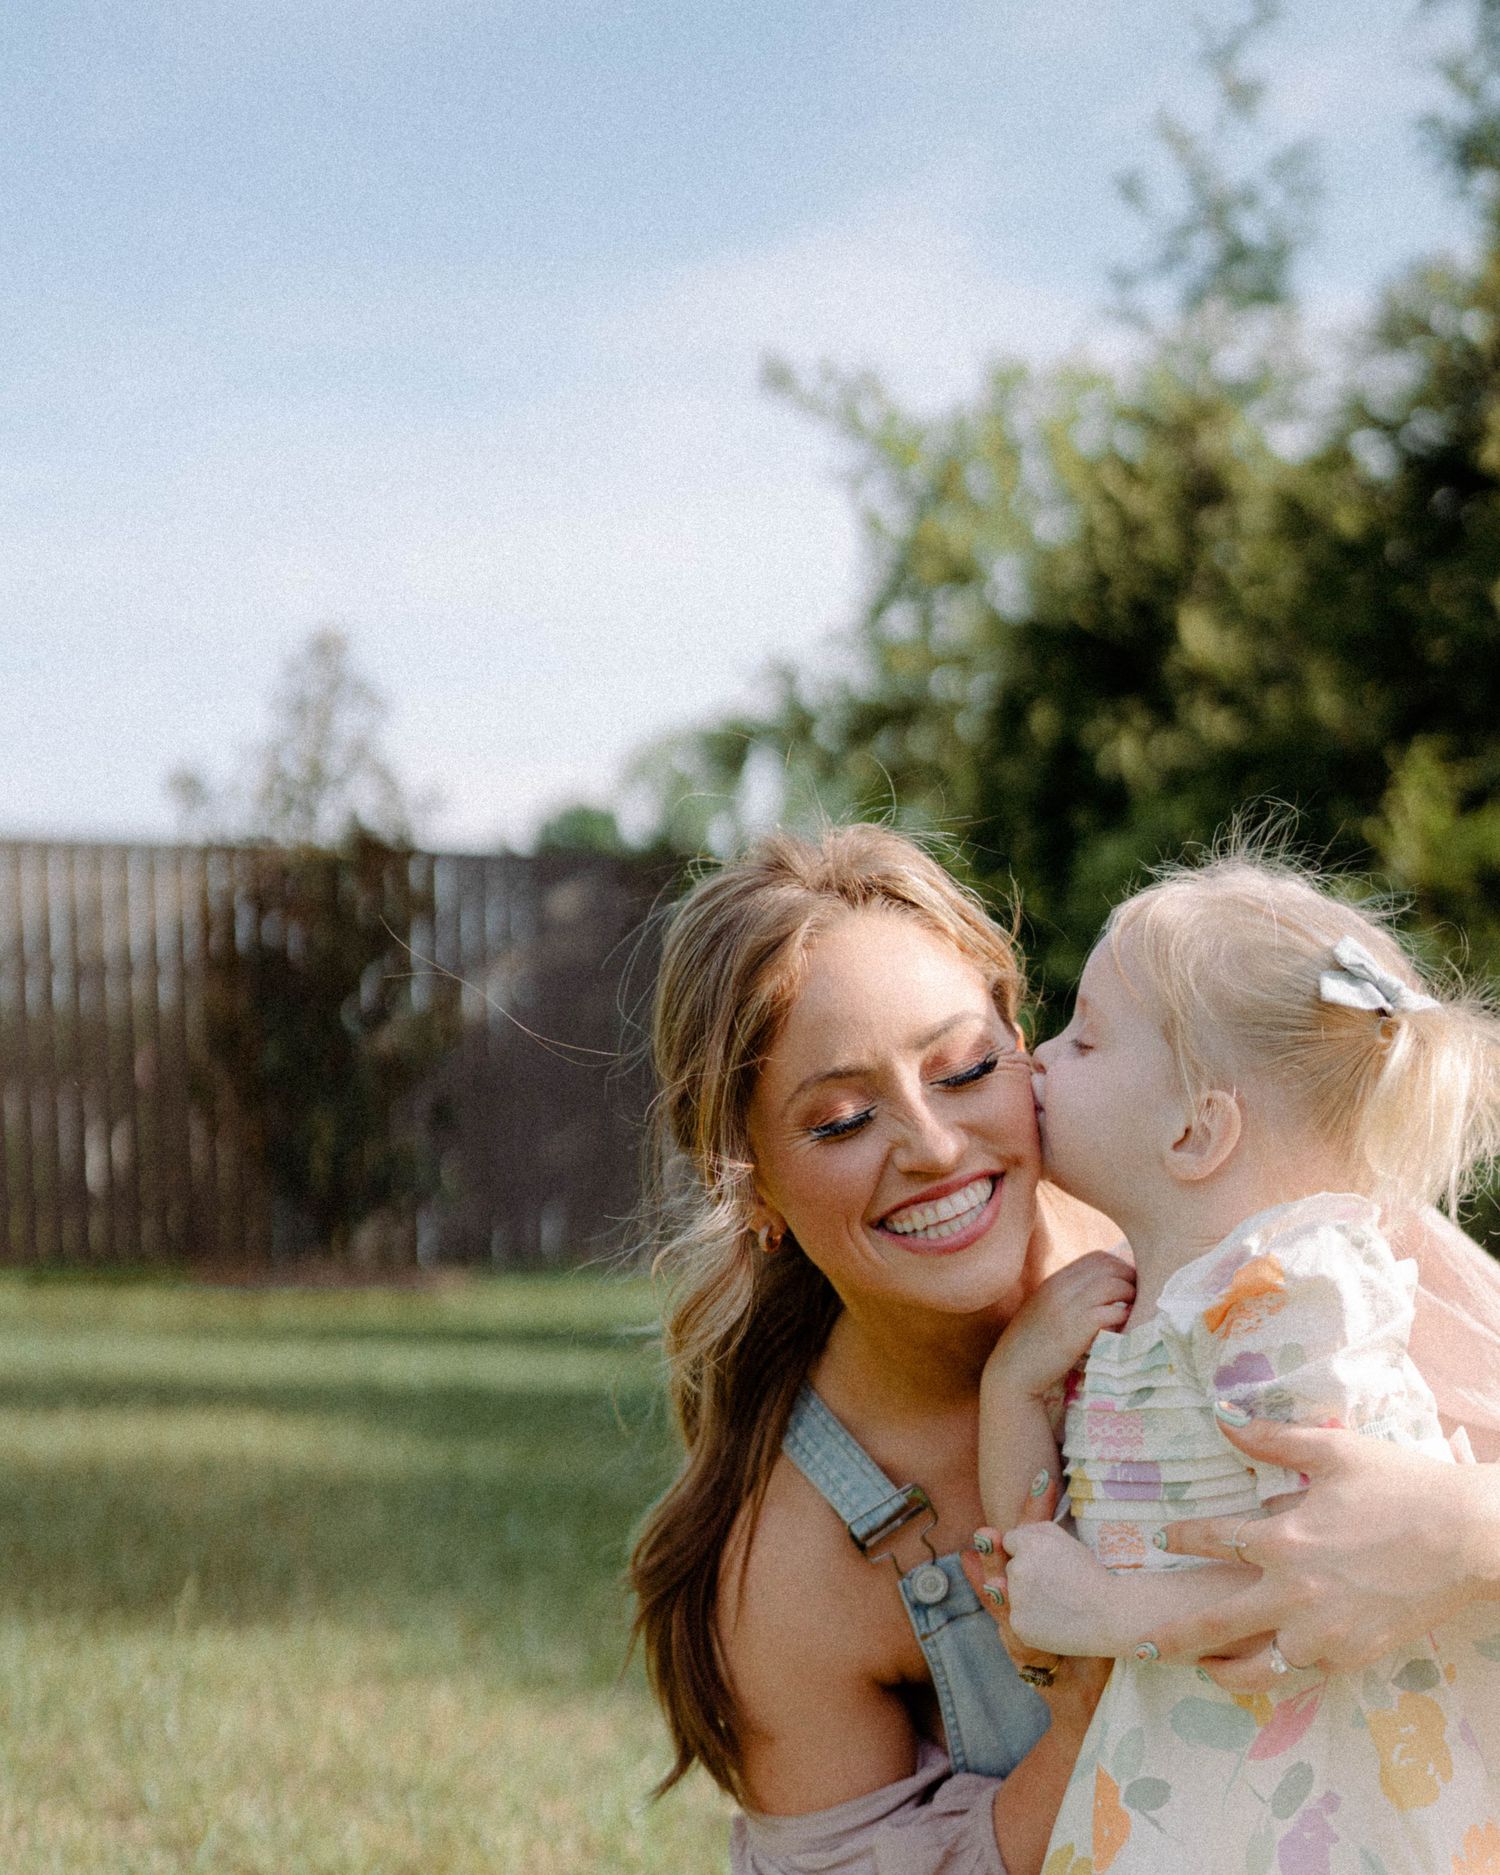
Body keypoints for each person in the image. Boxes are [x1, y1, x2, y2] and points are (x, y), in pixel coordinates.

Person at [627, 825, 1500, 1875]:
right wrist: (1098, 1702)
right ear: (751, 1184)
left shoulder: (1282, 1235)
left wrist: (1464, 1529)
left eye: (964, 1069)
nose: (936, 1147)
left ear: (1021, 1040)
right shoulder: (794, 1564)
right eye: (844, 1120)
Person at [976, 850, 1500, 1873]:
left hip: (1334, 1792)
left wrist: (1114, 1613)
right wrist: (1014, 1385)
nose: (1037, 1057)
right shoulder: (1142, 1305)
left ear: (1198, 1130)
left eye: (1085, 1040)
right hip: (1199, 1773)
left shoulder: (1288, 1300)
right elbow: (1031, 1556)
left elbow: (1326, 1568)